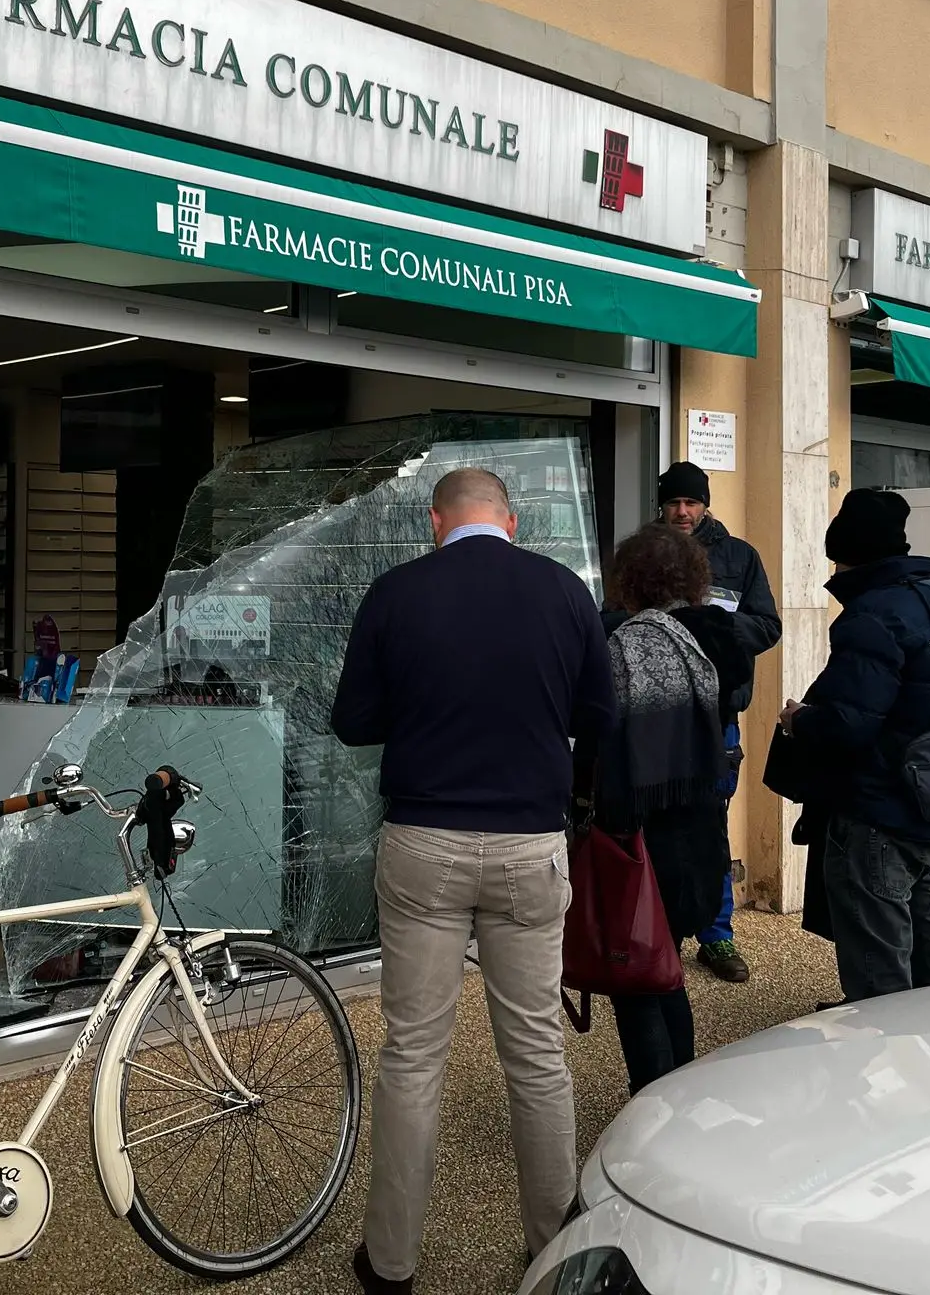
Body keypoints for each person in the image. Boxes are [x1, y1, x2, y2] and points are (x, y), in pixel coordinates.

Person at [331, 466, 616, 1295]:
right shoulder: (565, 593)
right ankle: (552, 1252)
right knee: (536, 1053)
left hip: (424, 839)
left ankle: (391, 1264)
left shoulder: (397, 592)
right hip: (531, 841)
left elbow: (353, 721)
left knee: (414, 1053)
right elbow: (600, 716)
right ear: (512, 521)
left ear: (435, 521)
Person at [779, 488, 930, 1003]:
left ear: (851, 554)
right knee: (929, 937)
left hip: (879, 808)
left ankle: (880, 1045)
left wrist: (799, 720)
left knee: (878, 958)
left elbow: (849, 724)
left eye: (836, 558)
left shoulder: (872, 615)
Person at [591, 524, 733, 1095]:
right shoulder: (712, 639)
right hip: (698, 826)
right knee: (666, 969)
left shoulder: (622, 644)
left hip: (640, 836)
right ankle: (680, 1095)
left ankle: (655, 1107)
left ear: (630, 580)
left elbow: (599, 728)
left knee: (640, 978)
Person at [655, 460, 780, 985]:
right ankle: (657, 932)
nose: (683, 512)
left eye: (692, 502)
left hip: (716, 714)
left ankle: (716, 931)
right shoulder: (645, 551)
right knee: (652, 821)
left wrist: (716, 627)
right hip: (654, 713)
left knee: (710, 824)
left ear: (705, 504)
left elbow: (767, 625)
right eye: (674, 502)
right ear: (661, 505)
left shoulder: (740, 556)